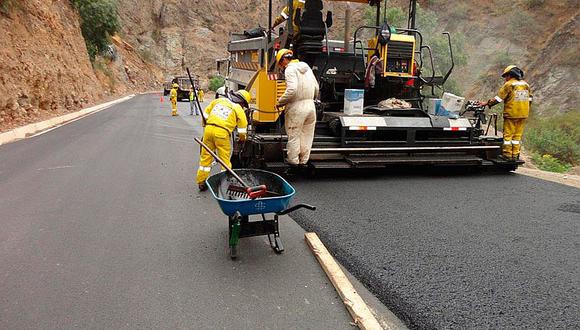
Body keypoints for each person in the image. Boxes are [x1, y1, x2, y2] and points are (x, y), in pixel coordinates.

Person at [196, 90, 250, 191]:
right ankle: (224, 184)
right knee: (224, 161)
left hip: (208, 130)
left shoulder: (218, 101)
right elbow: (242, 128)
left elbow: (205, 115)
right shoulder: (238, 108)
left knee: (205, 158)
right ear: (242, 102)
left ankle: (201, 182)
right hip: (222, 133)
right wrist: (242, 139)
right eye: (244, 105)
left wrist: (205, 126)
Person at [275, 48, 319, 166]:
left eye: (280, 63)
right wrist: (311, 99)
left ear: (284, 60)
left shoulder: (289, 69)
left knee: (294, 134)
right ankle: (303, 160)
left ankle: (293, 162)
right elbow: (316, 87)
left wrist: (280, 102)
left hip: (297, 107)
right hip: (311, 106)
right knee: (307, 135)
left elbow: (292, 90)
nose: (281, 67)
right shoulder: (307, 68)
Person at [480, 65, 533, 160]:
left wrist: (486, 103)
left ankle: (507, 155)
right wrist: (525, 109)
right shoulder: (526, 85)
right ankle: (515, 155)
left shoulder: (509, 85)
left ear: (510, 75)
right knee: (517, 136)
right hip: (523, 115)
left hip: (511, 114)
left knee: (508, 136)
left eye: (506, 76)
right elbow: (530, 99)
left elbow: (498, 99)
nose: (505, 79)